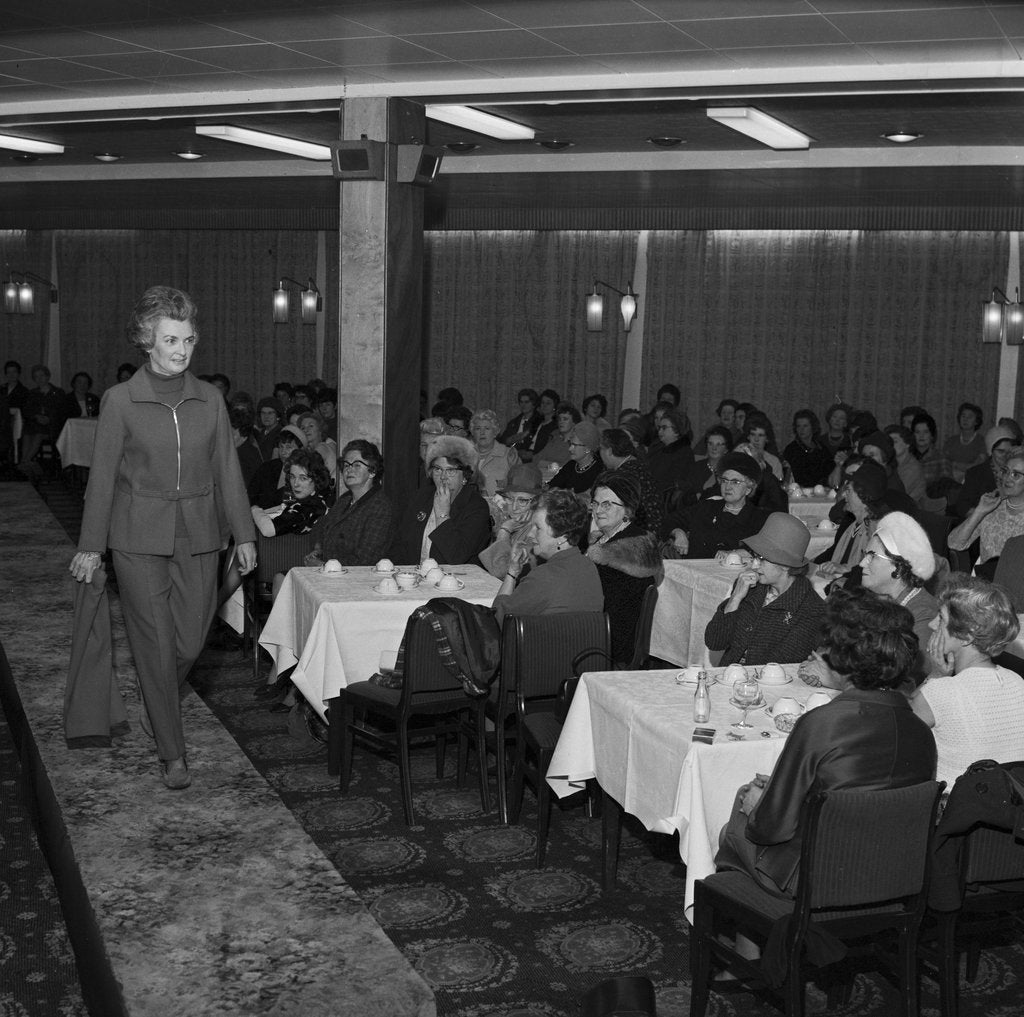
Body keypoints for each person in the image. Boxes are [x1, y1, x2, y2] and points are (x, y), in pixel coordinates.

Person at [69, 286, 255, 791]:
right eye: (171, 339)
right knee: (153, 644)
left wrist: (244, 532)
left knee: (192, 638)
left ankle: (158, 700)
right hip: (136, 536)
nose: (182, 349)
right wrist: (90, 545)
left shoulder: (209, 399)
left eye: (189, 339)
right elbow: (102, 477)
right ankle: (172, 753)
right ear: (146, 341)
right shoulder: (120, 401)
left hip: (199, 533)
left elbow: (227, 471)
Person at [715, 587, 936, 899]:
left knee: (734, 827)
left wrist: (756, 809)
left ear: (845, 660)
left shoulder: (822, 723)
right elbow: (871, 799)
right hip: (895, 877)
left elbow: (771, 829)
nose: (819, 652)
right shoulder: (921, 732)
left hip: (817, 880)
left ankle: (774, 938)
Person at [800, 511, 940, 689]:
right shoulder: (873, 598)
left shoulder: (924, 616)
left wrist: (838, 682)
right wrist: (822, 660)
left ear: (898, 567)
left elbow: (906, 686)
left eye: (872, 556)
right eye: (865, 554)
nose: (862, 563)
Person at [912, 576, 1024, 789]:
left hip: (952, 812)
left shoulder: (941, 692)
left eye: (941, 618)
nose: (931, 624)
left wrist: (936, 675)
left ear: (966, 636)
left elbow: (895, 727)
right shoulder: (1017, 682)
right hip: (1010, 811)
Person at [704, 512, 825, 666]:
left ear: (785, 565)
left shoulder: (811, 610)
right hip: (731, 678)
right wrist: (735, 599)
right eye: (754, 556)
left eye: (761, 559)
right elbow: (714, 641)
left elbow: (778, 666)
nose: (754, 565)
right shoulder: (750, 588)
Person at [492, 487, 603, 626]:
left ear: (561, 536)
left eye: (538, 528)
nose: (530, 534)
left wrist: (511, 574)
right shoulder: (588, 567)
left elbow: (498, 618)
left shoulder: (545, 575)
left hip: (546, 646)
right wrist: (515, 569)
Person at [585, 473, 663, 665]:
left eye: (607, 504)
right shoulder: (622, 539)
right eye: (595, 503)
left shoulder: (619, 551)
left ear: (627, 509)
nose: (598, 511)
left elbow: (595, 601)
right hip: (610, 631)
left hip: (609, 642)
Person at [390, 435, 491, 566]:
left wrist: (442, 515)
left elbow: (456, 556)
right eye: (438, 469)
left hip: (456, 580)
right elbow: (400, 544)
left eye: (451, 470)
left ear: (465, 476)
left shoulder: (476, 506)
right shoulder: (421, 497)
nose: (443, 477)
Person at [305, 440, 394, 567]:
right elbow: (321, 527)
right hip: (329, 571)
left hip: (358, 579)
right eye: (346, 465)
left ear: (372, 472)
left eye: (357, 465)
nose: (349, 470)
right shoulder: (345, 499)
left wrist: (323, 566)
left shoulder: (380, 507)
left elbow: (365, 561)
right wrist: (318, 549)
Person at [664, 452, 767, 558]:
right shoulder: (707, 507)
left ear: (748, 489)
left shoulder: (757, 518)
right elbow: (670, 520)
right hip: (694, 570)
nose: (728, 487)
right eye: (724, 480)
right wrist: (678, 532)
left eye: (735, 482)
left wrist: (736, 553)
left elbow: (762, 549)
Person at [947, 445, 1024, 579]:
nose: (1007, 478)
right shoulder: (992, 508)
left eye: (1016, 474)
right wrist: (979, 512)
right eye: (1005, 471)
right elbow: (954, 543)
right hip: (986, 583)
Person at [480, 463, 543, 579]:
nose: (514, 507)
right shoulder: (511, 521)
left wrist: (505, 531)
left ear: (536, 501)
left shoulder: (537, 532)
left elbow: (500, 571)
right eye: (510, 498)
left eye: (522, 500)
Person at [250, 448, 331, 538]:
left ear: (317, 479)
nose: (296, 484)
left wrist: (254, 509)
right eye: (292, 477)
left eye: (303, 478)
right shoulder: (317, 500)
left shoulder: (306, 508)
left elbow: (268, 530)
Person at [598, 427, 663, 533]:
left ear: (609, 451)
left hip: (638, 536)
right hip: (652, 530)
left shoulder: (623, 475)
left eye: (600, 448)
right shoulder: (638, 465)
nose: (599, 453)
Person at [951, 423, 1016, 520]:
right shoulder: (975, 473)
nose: (1006, 456)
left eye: (1009, 452)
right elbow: (962, 507)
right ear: (990, 451)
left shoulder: (1018, 472)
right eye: (1001, 451)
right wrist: (982, 516)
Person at [247, 424, 306, 508]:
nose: (283, 451)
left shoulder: (305, 473)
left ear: (300, 450)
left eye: (288, 447)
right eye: (281, 447)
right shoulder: (267, 467)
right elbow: (251, 495)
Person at [19, 364, 66, 467]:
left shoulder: (57, 392)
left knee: (38, 433)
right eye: (36, 376)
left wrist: (49, 418)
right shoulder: (32, 393)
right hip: (35, 423)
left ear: (48, 376)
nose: (39, 379)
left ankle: (24, 462)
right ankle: (25, 461)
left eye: (42, 375)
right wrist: (36, 416)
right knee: (27, 432)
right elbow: (26, 410)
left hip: (51, 425)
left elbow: (61, 411)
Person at [677, 425, 733, 506]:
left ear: (726, 449)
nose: (714, 448)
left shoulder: (731, 471)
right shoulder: (695, 467)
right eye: (710, 443)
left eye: (719, 444)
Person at [645, 406, 695, 497]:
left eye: (664, 428)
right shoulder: (657, 448)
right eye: (659, 428)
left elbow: (671, 484)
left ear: (676, 430)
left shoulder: (684, 454)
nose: (659, 432)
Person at [472, 408, 521, 497]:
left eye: (487, 428)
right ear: (473, 432)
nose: (482, 433)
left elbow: (520, 486)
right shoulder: (465, 455)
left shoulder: (508, 455)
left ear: (495, 432)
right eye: (478, 428)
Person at [548, 419, 603, 495]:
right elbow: (551, 486)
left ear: (587, 448)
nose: (570, 449)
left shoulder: (599, 471)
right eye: (570, 444)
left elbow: (587, 498)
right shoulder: (571, 465)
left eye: (574, 445)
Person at [782, 409, 832, 488]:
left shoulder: (821, 448)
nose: (801, 430)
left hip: (822, 490)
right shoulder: (792, 449)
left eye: (805, 426)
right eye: (798, 426)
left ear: (813, 426)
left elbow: (830, 471)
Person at [941, 401, 987, 485]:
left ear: (976, 421)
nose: (965, 419)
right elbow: (944, 462)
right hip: (950, 480)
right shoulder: (951, 441)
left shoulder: (981, 441)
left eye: (970, 417)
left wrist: (959, 466)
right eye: (963, 416)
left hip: (972, 480)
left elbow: (979, 464)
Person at [884, 424, 927, 505]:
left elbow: (895, 495)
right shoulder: (892, 464)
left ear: (907, 444)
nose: (891, 445)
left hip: (912, 512)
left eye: (895, 441)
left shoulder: (913, 467)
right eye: (889, 442)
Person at [534, 402, 580, 477]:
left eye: (565, 419)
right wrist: (553, 465)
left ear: (574, 422)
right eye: (559, 419)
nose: (561, 422)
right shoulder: (555, 438)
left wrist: (547, 464)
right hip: (545, 475)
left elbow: (570, 466)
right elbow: (536, 459)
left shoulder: (577, 442)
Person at [734, 411, 783, 480]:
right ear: (748, 436)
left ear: (767, 439)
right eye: (753, 434)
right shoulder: (739, 453)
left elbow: (776, 487)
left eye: (760, 435)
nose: (756, 439)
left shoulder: (774, 461)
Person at [296, 410, 337, 481]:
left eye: (311, 426)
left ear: (320, 430)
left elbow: (307, 469)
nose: (306, 430)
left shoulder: (323, 447)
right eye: (303, 428)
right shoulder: (306, 450)